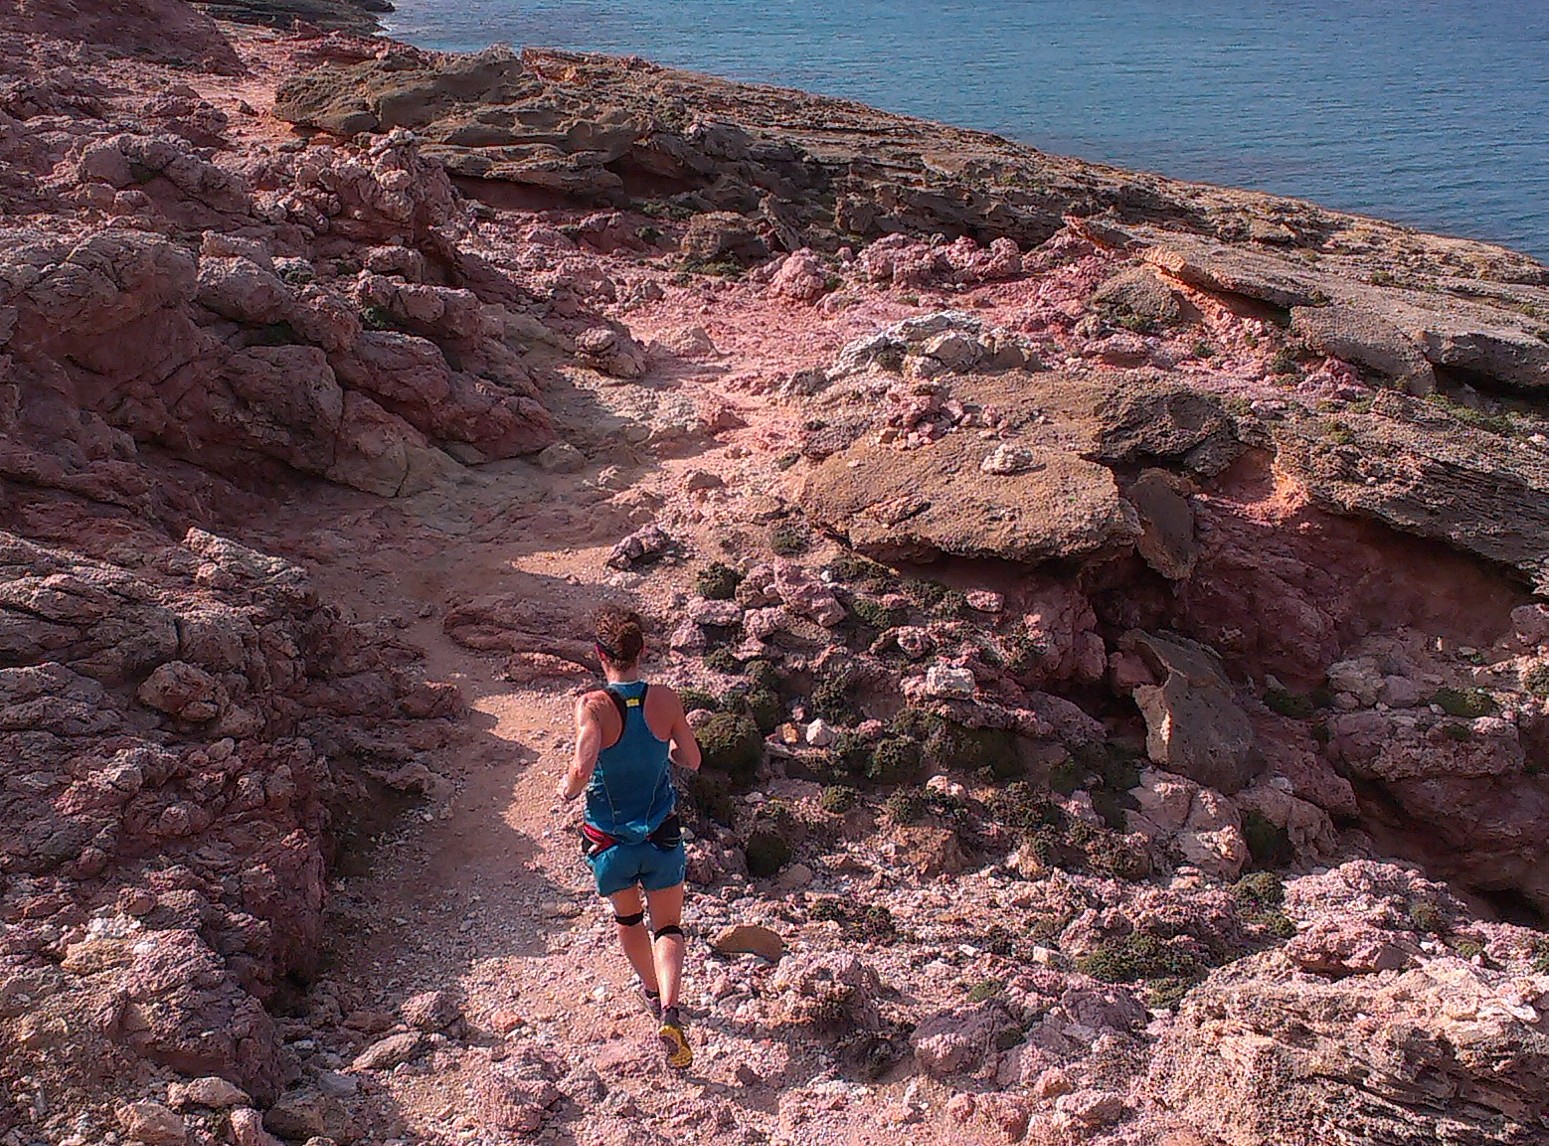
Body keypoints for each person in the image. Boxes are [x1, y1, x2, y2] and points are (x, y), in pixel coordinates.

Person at [555, 606, 702, 1069]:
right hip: (661, 833)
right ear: (642, 651)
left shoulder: (592, 704)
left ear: (600, 654)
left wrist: (566, 788)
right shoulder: (665, 698)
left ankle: (651, 992)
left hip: (610, 842)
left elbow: (583, 762)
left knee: (629, 920)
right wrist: (664, 749)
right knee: (670, 927)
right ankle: (671, 1010)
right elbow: (691, 759)